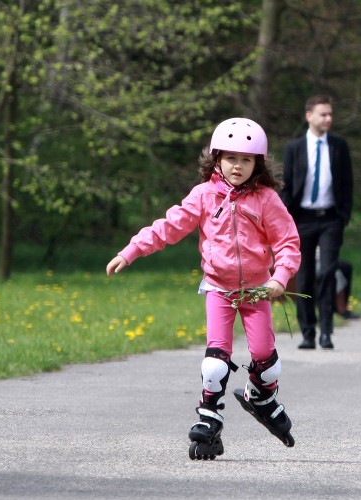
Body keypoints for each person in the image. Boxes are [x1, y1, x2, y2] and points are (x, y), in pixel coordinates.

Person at [105, 118, 301, 458]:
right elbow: (169, 226)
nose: (237, 166)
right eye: (230, 158)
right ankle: (209, 419)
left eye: (245, 159)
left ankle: (263, 398)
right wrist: (132, 250)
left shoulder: (266, 199)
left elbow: (287, 242)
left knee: (266, 362)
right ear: (216, 159)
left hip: (256, 290)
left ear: (258, 164)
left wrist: (279, 278)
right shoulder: (205, 195)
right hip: (219, 289)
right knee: (216, 362)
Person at [281, 95, 354, 350]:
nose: (328, 119)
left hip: (331, 218)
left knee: (327, 273)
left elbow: (347, 182)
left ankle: (327, 331)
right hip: (302, 219)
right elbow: (287, 185)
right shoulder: (294, 148)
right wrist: (283, 217)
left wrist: (344, 214)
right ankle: (308, 332)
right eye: (323, 114)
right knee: (305, 276)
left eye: (330, 114)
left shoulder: (338, 146)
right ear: (309, 116)